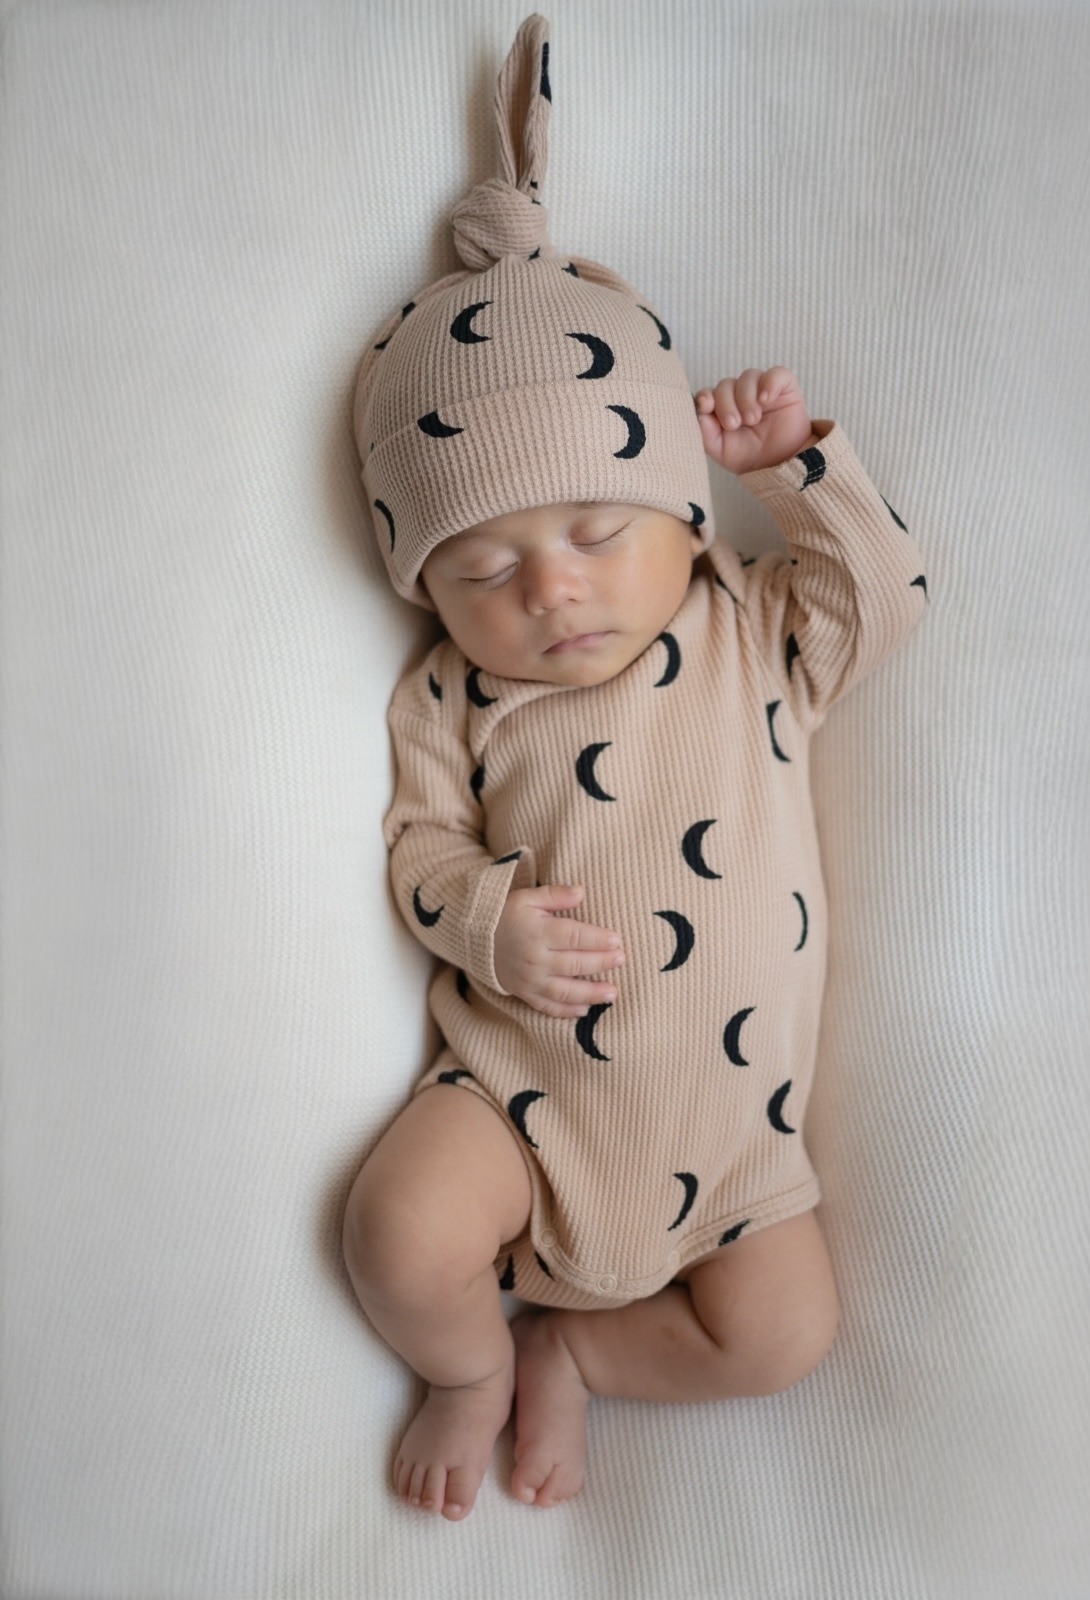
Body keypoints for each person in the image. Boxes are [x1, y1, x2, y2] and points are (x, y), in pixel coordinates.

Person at [342, 14, 926, 1521]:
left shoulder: (753, 628)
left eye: (597, 533)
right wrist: (486, 922)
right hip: (519, 1095)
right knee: (398, 1236)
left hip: (732, 1148)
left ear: (679, 510)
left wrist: (800, 472)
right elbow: (417, 853)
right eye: (484, 568)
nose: (551, 591)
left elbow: (883, 600)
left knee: (784, 1333)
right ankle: (473, 1364)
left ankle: (586, 1361)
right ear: (426, 588)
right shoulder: (453, 695)